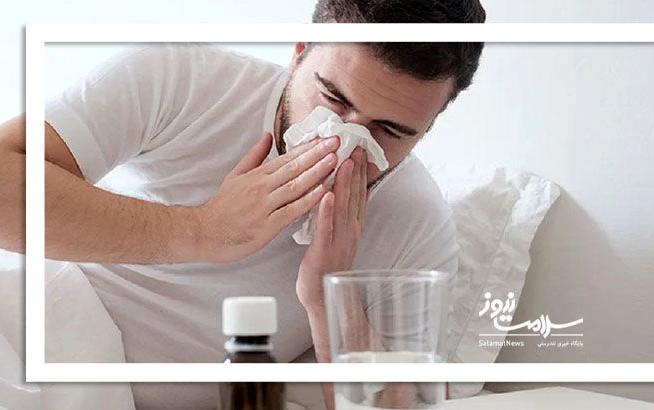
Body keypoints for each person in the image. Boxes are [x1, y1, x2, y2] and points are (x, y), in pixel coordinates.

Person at [0, 0, 486, 408]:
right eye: (333, 99)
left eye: (390, 131)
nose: (344, 142)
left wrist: (328, 297)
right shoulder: (183, 79)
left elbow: (399, 403)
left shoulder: (416, 225)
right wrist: (201, 231)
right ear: (299, 53)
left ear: (426, 130)